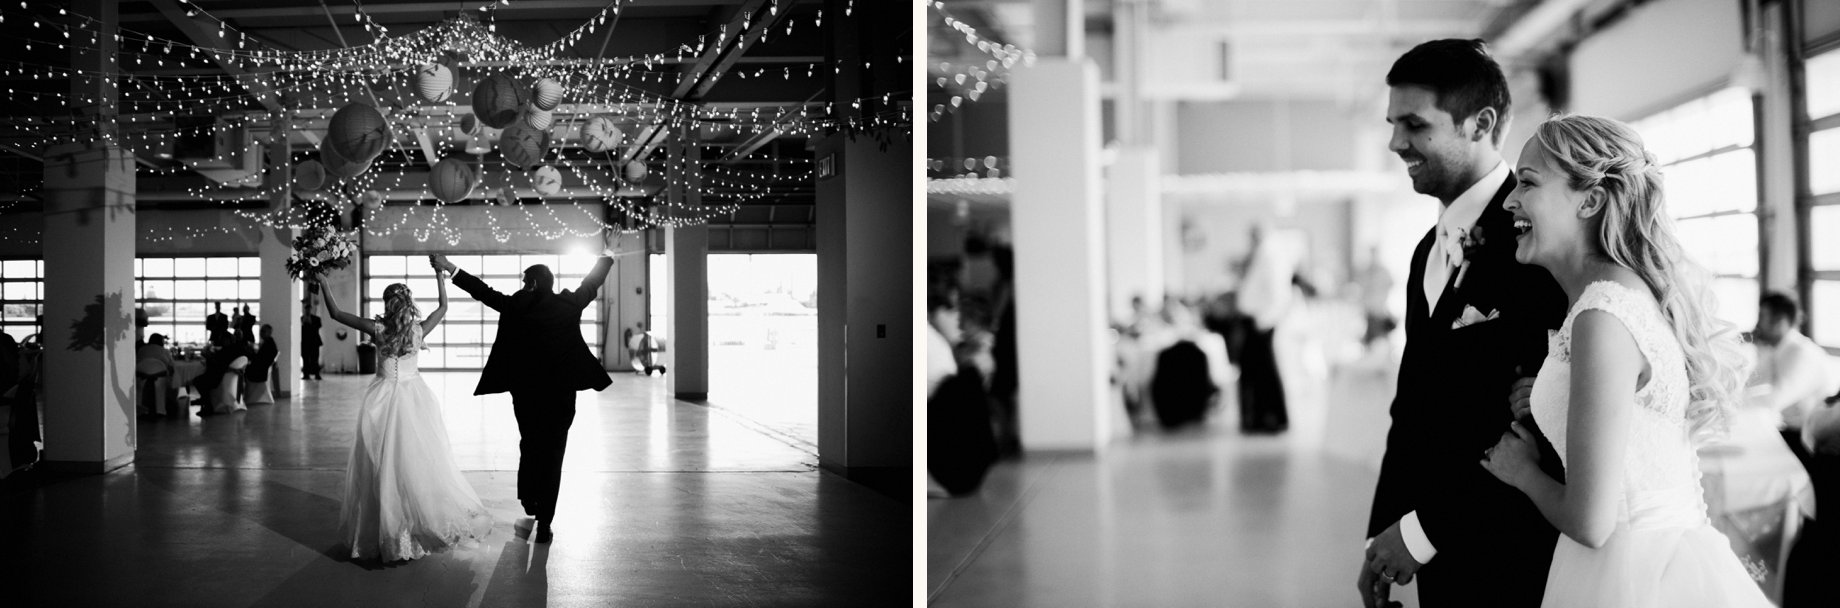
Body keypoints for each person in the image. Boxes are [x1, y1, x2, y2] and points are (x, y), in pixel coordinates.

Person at [1476, 114, 1771, 606]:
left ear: (1589, 200)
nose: (1509, 199)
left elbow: (1591, 523)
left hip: (1631, 574)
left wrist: (1521, 470)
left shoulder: (1602, 315)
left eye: (1527, 182)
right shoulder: (1620, 299)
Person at [1360, 39, 1570, 608]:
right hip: (1431, 553)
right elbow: (1412, 406)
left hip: (1512, 551)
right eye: (1392, 122)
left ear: (1479, 123)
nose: (1395, 141)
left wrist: (1422, 531)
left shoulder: (1539, 242)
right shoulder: (1426, 250)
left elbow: (1541, 428)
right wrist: (1383, 534)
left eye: (1414, 123)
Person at [432, 251, 614, 543]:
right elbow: (592, 283)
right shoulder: (568, 304)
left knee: (530, 444)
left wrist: (450, 268)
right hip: (561, 395)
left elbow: (482, 292)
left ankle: (530, 499)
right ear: (550, 284)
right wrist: (608, 253)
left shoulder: (517, 305)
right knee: (554, 455)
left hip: (527, 393)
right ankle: (545, 522)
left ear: (530, 284)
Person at [312, 268, 491, 562]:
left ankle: (391, 535)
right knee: (415, 464)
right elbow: (443, 307)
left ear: (387, 304)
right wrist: (438, 276)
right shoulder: (418, 330)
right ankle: (407, 535)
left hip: (382, 400)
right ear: (408, 303)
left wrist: (323, 283)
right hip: (414, 398)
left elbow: (335, 313)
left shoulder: (378, 329)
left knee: (382, 466)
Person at [926, 282, 997, 498]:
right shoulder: (935, 349)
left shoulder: (941, 347)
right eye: (951, 309)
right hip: (954, 476)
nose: (958, 318)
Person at [1749, 292, 1836, 448]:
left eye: (1762, 316)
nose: (1757, 324)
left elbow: (1774, 400)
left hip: (1811, 442)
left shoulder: (1801, 353)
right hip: (1793, 433)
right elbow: (1749, 382)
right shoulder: (1778, 349)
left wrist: (1730, 405)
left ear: (1780, 322)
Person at [135, 333, 177, 417]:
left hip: (140, 377)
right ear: (161, 341)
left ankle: (139, 409)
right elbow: (171, 366)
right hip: (160, 378)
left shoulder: (142, 349)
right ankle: (163, 409)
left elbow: (136, 362)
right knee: (173, 381)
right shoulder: (164, 351)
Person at [244, 324, 279, 405]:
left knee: (241, 372)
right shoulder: (268, 343)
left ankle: (243, 396)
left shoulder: (268, 345)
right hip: (262, 368)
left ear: (269, 333)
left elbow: (260, 359)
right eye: (260, 331)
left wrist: (251, 353)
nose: (261, 333)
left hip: (260, 371)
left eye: (263, 331)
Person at [302, 297, 324, 380]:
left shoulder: (316, 319)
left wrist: (310, 323)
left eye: (309, 309)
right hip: (305, 342)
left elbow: (318, 327)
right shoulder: (302, 318)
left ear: (311, 310)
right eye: (306, 309)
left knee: (315, 359)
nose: (308, 311)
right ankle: (306, 374)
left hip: (314, 342)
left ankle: (317, 374)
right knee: (305, 359)